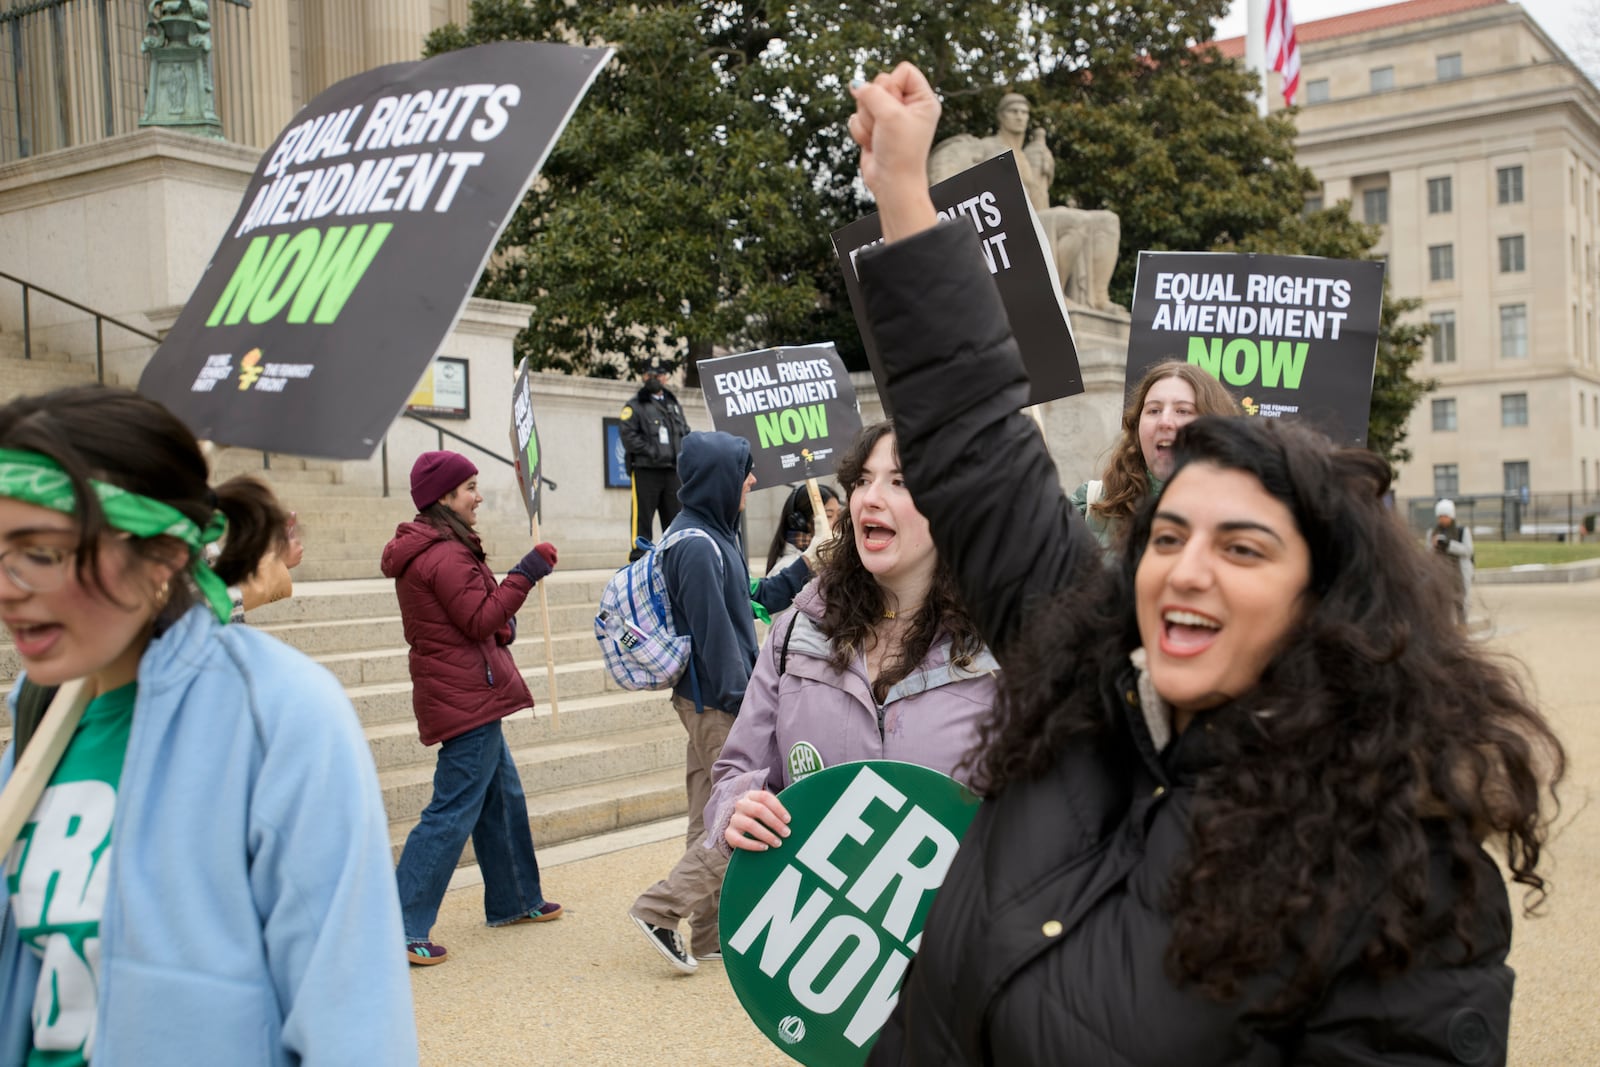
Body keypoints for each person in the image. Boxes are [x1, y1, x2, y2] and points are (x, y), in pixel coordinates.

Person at [847, 64, 1565, 1064]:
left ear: (1321, 596)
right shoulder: (1077, 689)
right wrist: (901, 192)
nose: (1186, 569)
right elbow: (974, 442)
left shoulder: (1399, 869)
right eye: (1170, 535)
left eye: (1242, 547)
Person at [0, 385, 416, 1063]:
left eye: (38, 552)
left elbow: (354, 1025)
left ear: (162, 551)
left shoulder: (281, 715)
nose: (6, 587)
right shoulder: (38, 710)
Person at [708, 421, 997, 858]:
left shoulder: (1009, 645)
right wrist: (736, 811)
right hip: (825, 922)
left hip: (961, 921)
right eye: (862, 480)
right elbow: (736, 771)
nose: (870, 498)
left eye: (900, 481)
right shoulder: (797, 630)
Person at [628, 431, 813, 973]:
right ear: (720, 478)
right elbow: (716, 642)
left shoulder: (712, 535)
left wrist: (806, 567)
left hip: (707, 701)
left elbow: (752, 601)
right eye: (744, 470)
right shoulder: (696, 546)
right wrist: (753, 707)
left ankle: (708, 934)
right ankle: (660, 908)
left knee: (707, 816)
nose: (752, 479)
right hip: (720, 704)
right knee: (742, 816)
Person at [382, 451, 563, 966]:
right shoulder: (444, 554)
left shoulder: (442, 547)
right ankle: (400, 926)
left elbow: (479, 620)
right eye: (469, 489)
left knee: (501, 797)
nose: (478, 496)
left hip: (467, 689)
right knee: (451, 810)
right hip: (467, 696)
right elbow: (480, 619)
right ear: (443, 498)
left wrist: (503, 614)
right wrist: (525, 573)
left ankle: (515, 900)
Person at [1067, 360, 1240, 550]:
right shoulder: (1092, 506)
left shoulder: (1247, 514)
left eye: (1183, 411)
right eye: (1154, 410)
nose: (1165, 421)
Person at [619, 357, 692, 561]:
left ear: (665, 378)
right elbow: (628, 436)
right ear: (644, 377)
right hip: (646, 470)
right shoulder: (635, 405)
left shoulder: (673, 404)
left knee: (676, 518)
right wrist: (653, 451)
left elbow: (684, 431)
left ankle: (675, 557)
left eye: (658, 375)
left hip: (672, 471)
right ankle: (639, 558)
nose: (654, 379)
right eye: (650, 375)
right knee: (642, 518)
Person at [764, 483, 841, 575]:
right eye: (829, 516)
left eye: (839, 515)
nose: (838, 522)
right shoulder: (786, 569)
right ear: (802, 522)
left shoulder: (833, 559)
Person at [1426, 497, 1474, 624]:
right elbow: (1427, 553)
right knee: (1441, 602)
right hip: (1440, 571)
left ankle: (1462, 626)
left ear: (1451, 516)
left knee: (1459, 602)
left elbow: (1468, 551)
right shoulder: (1432, 532)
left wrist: (1449, 545)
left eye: (1445, 515)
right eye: (1440, 516)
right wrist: (1435, 545)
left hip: (1457, 572)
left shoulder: (1462, 531)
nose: (1442, 519)